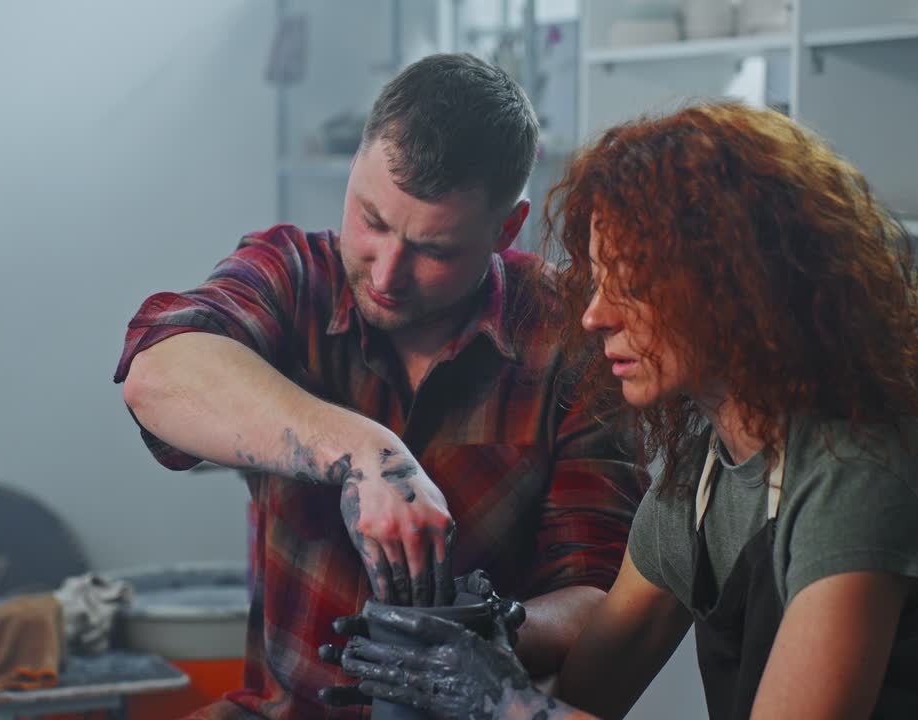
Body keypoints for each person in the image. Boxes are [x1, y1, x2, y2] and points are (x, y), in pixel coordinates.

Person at [323, 102, 918, 719]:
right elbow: (593, 688)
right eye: (598, 281)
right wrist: (485, 638)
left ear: (739, 287)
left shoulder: (857, 482)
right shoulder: (703, 481)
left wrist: (505, 702)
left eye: (632, 284)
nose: (595, 317)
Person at [113, 53, 644, 719]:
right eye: (372, 221)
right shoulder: (295, 277)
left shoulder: (569, 335)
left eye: (435, 251)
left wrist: (482, 635)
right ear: (354, 174)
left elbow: (598, 600)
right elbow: (157, 372)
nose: (388, 273)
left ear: (506, 229)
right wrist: (365, 454)